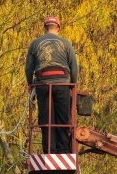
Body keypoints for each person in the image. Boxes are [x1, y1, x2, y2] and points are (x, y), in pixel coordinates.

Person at [24, 16, 78, 154]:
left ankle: (49, 151)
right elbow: (74, 68)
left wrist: (30, 85)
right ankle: (63, 151)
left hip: (42, 84)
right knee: (62, 118)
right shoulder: (66, 43)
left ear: (45, 28)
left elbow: (28, 69)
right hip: (62, 84)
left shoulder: (35, 43)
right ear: (58, 28)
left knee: (46, 119)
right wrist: (72, 85)